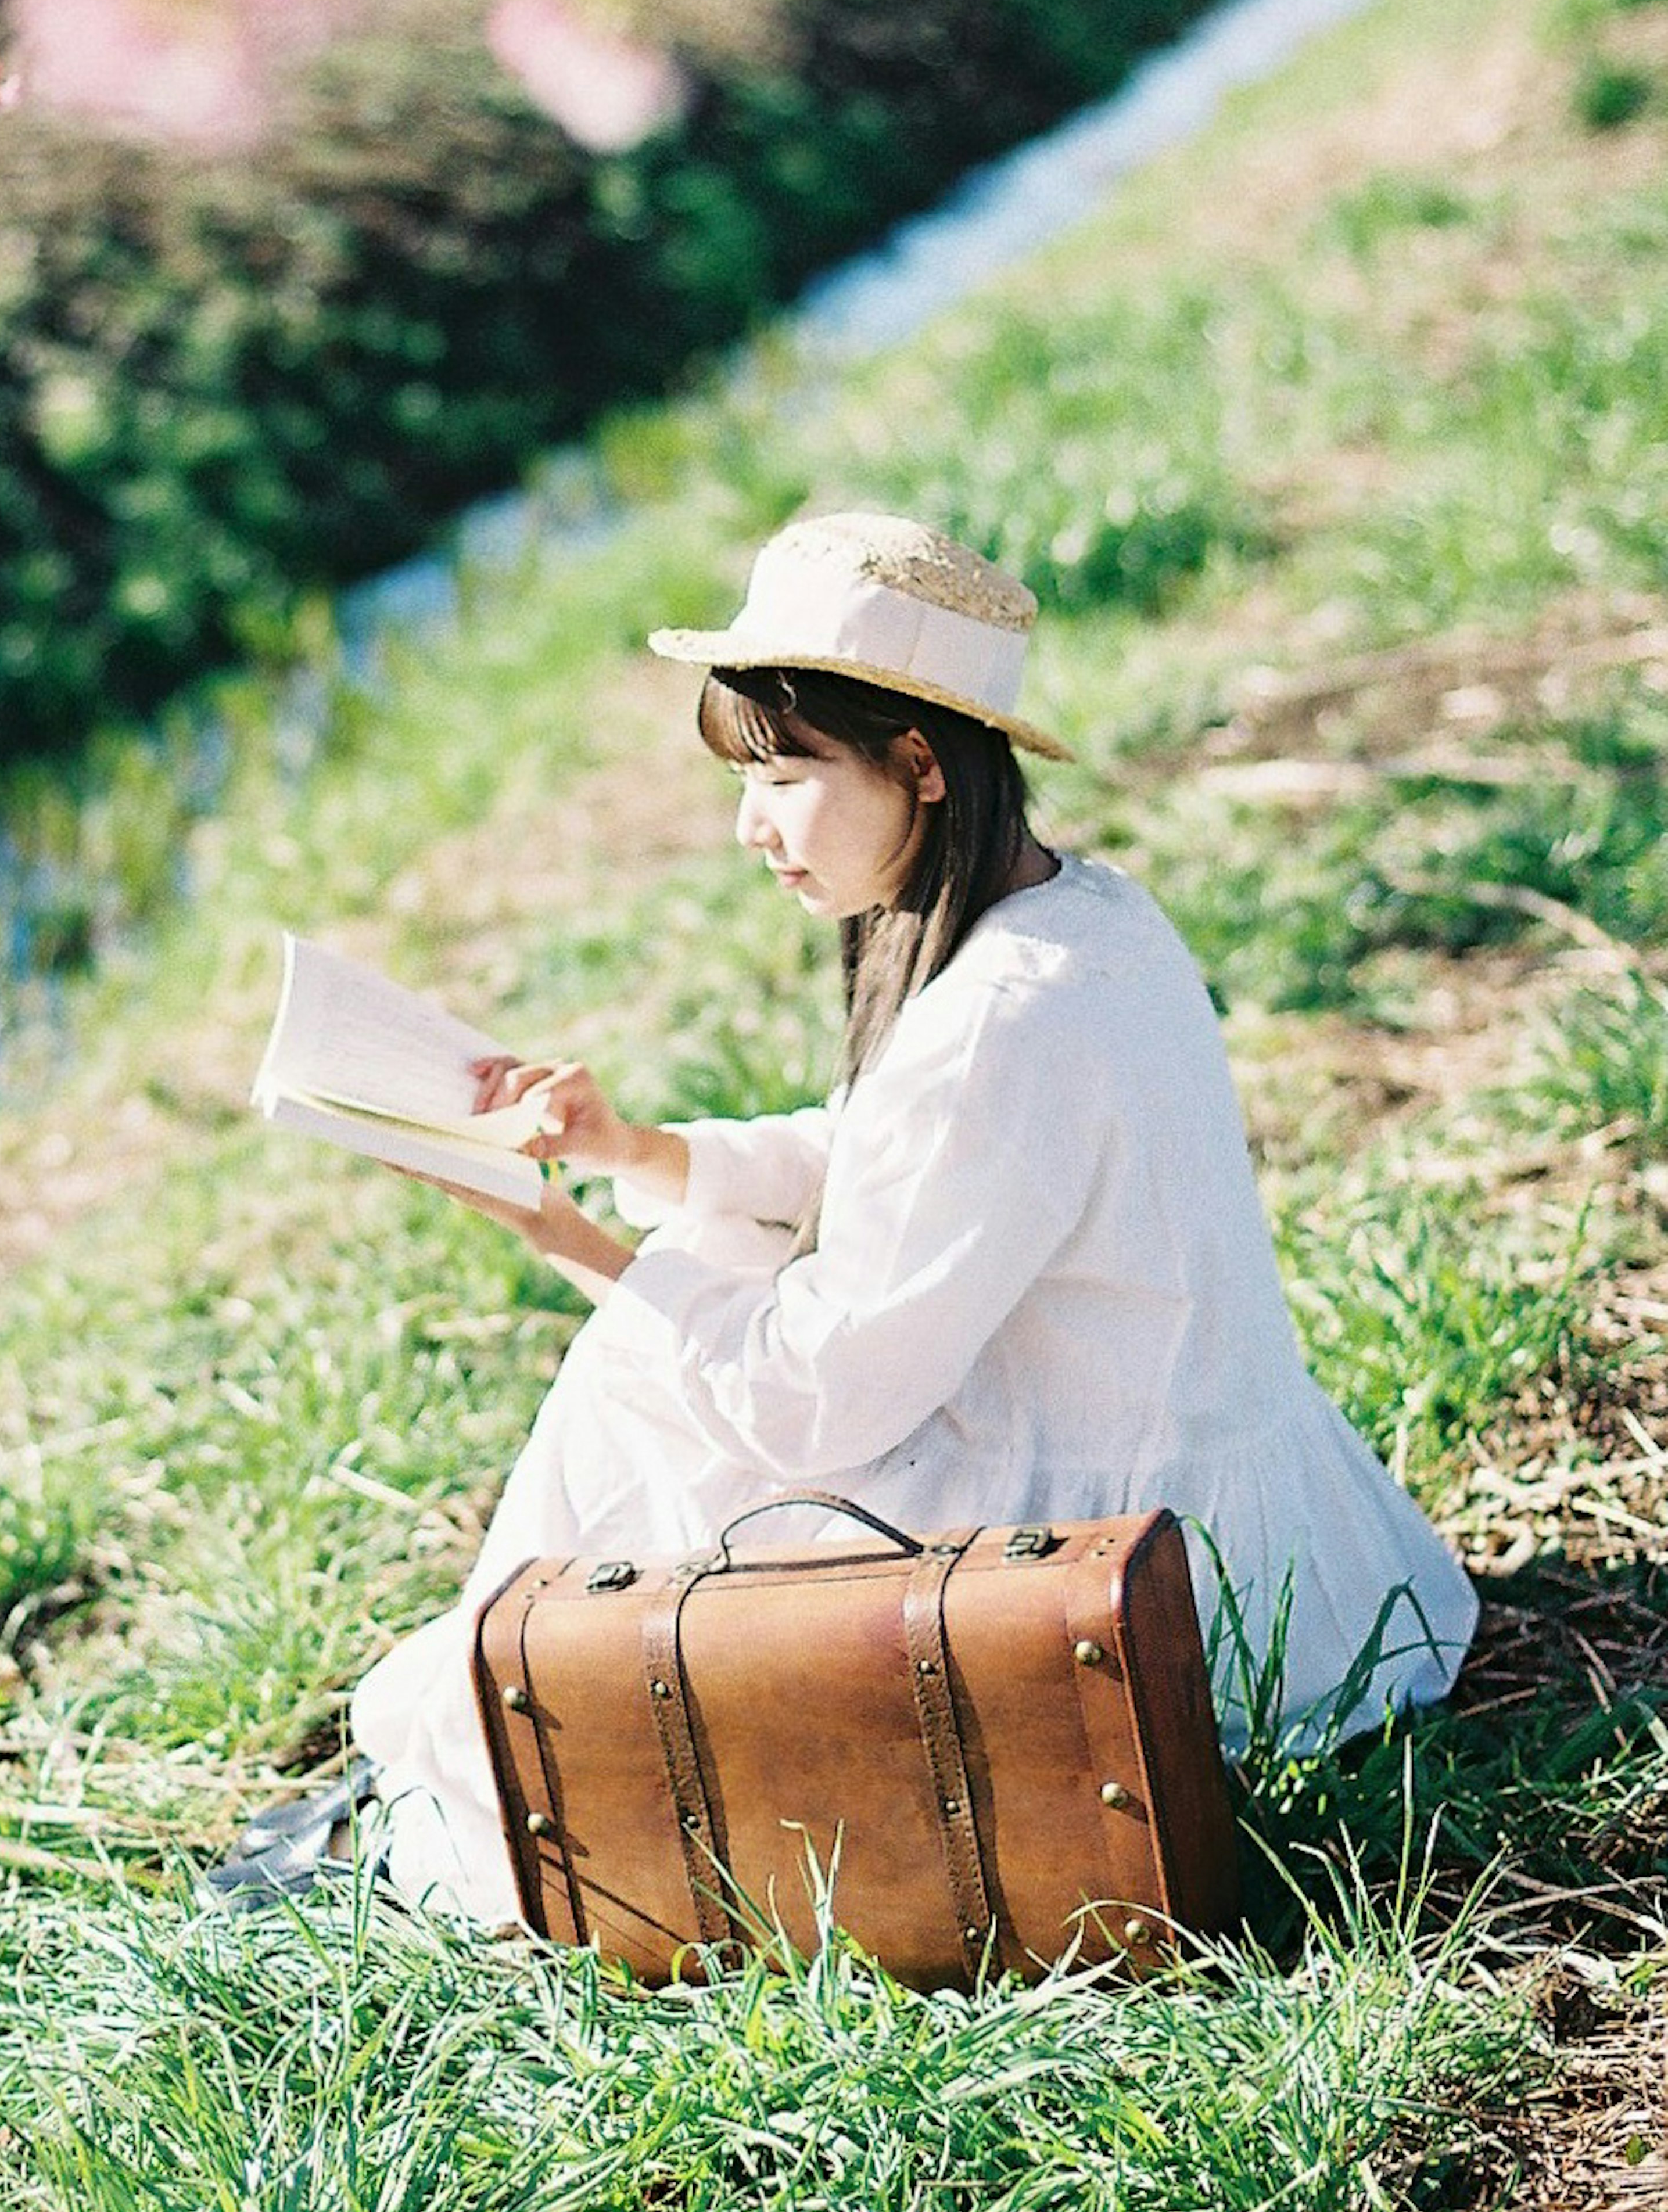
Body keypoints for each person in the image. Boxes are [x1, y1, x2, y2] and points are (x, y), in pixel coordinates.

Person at [312, 508, 1477, 1922]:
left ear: (919, 765)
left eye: (787, 773)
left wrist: (573, 1246)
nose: (752, 825)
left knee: (644, 1361)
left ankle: (504, 1782)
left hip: (1139, 1576)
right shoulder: (1082, 916)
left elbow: (818, 1407)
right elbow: (885, 1160)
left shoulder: (999, 1019)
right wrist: (634, 1147)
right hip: (1227, 1503)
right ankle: (503, 1742)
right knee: (703, 1265)